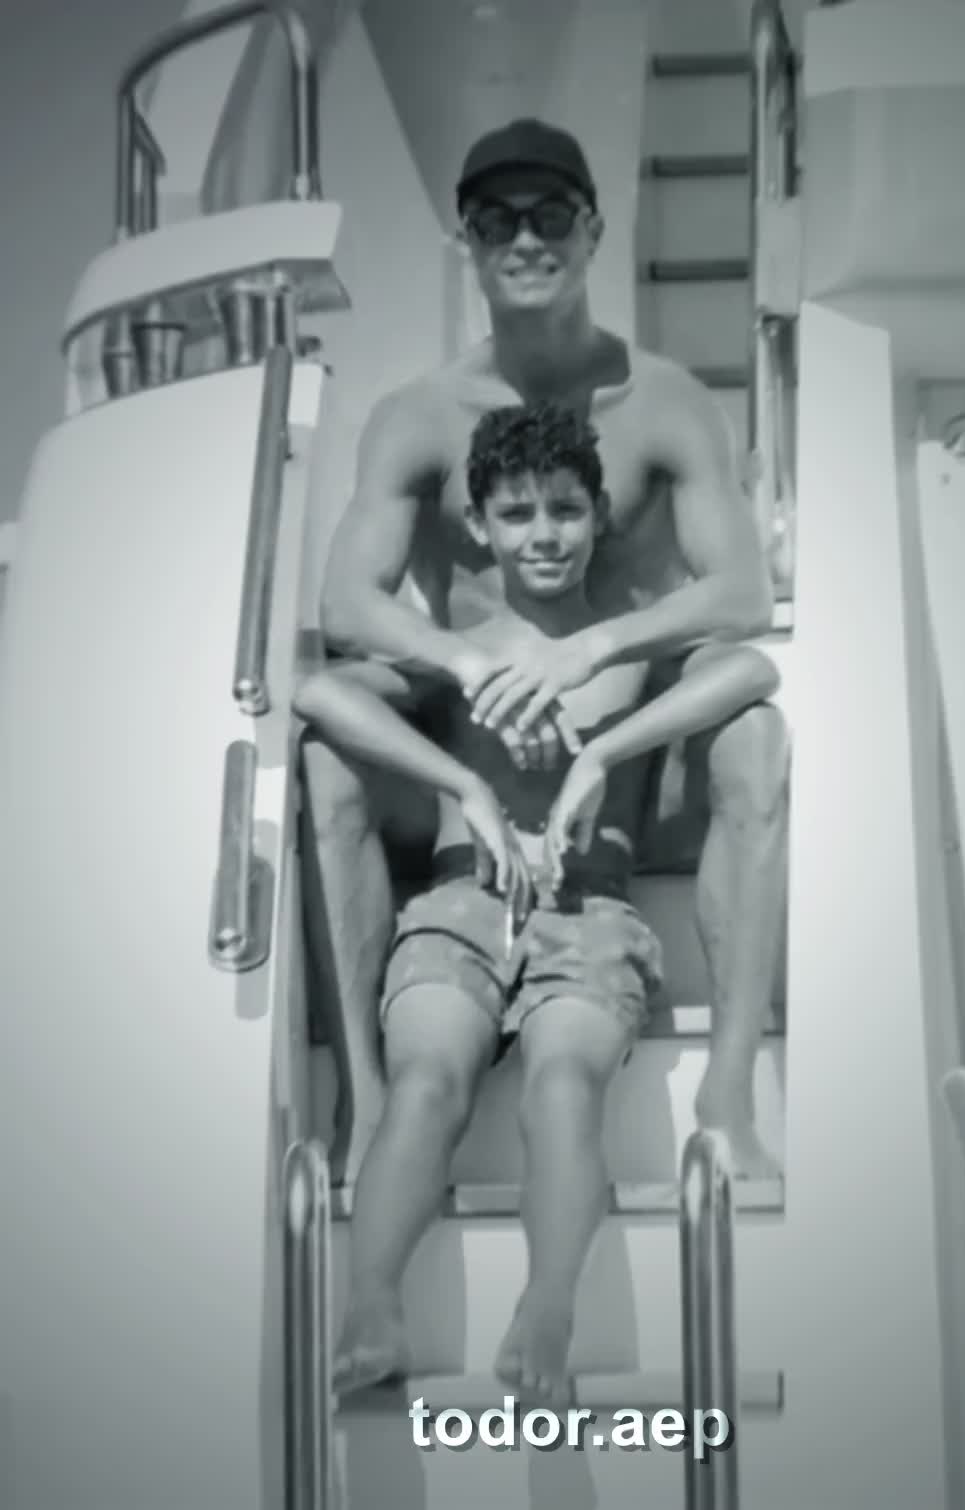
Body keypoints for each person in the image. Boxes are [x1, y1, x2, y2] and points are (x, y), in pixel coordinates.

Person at [300, 117, 790, 1190]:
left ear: (593, 230)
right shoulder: (419, 416)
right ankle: (364, 1103)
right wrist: (469, 665)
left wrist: (594, 649)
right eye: (497, 222)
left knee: (755, 737)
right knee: (327, 749)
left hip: (626, 756)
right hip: (470, 751)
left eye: (551, 215)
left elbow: (742, 595)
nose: (526, 240)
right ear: (467, 245)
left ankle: (727, 1098)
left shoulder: (665, 402)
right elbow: (346, 603)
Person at [293, 402, 780, 1404]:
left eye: (565, 509)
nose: (545, 534)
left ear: (600, 514)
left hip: (587, 916)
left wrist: (604, 750)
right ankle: (372, 1306)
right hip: (458, 905)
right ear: (480, 526)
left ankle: (547, 1309)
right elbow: (320, 696)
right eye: (517, 514)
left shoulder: (624, 654)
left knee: (564, 1084)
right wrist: (463, 785)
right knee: (427, 1077)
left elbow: (751, 664)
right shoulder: (458, 650)